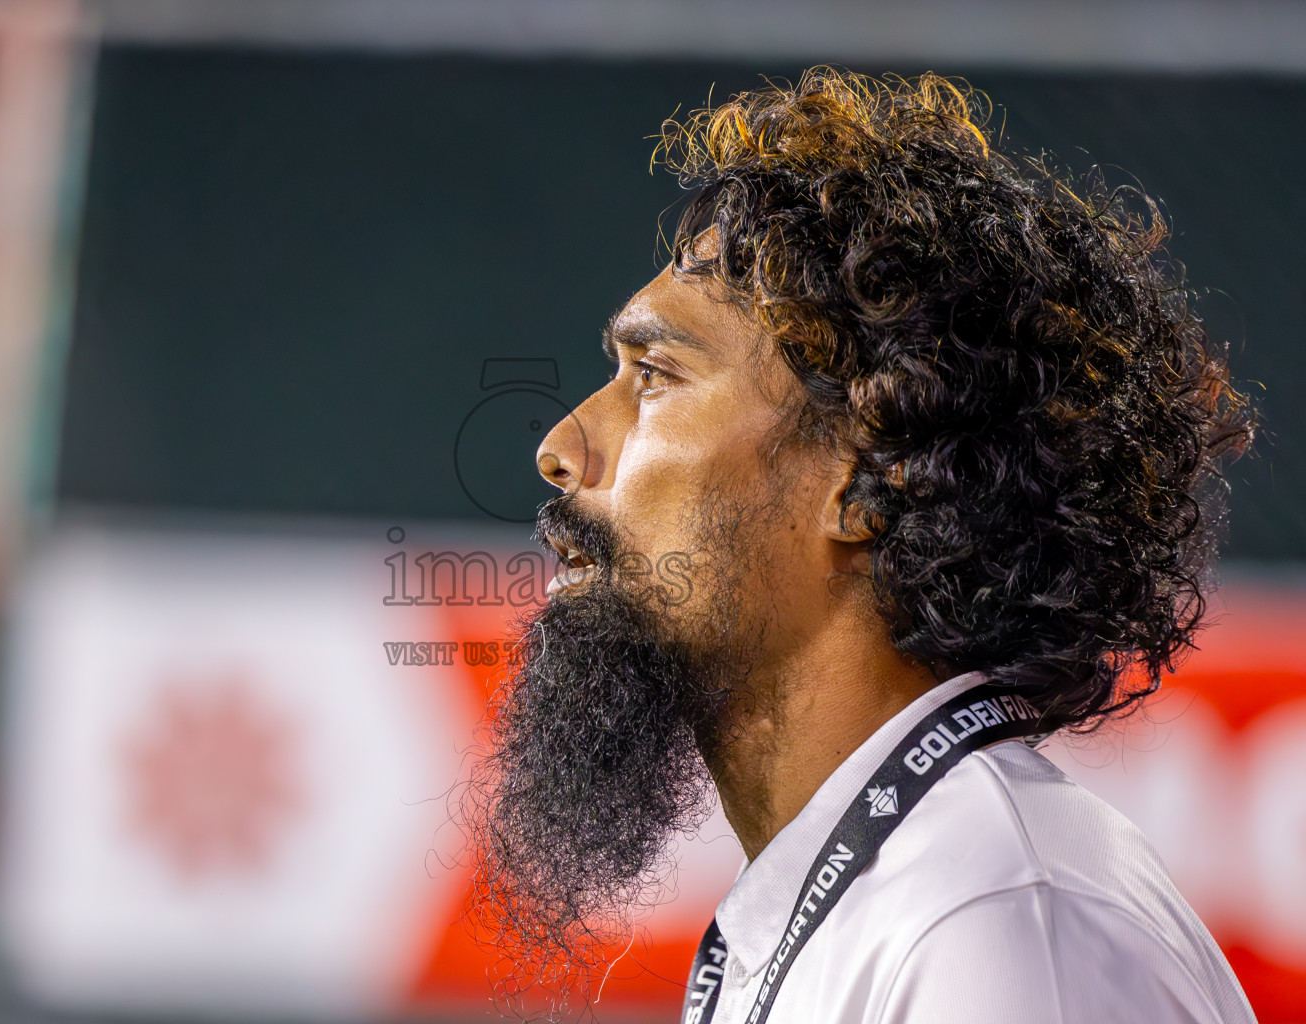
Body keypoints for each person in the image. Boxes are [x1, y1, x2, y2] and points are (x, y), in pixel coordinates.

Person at [463, 68, 1258, 1023]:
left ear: (863, 478)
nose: (559, 449)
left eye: (656, 376)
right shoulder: (882, 894)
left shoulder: (995, 925)